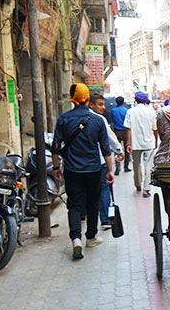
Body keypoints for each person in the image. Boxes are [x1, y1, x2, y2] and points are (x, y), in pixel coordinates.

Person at [51, 83, 115, 260]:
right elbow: (105, 149)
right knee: (92, 203)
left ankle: (76, 239)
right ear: (88, 100)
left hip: (72, 170)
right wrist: (110, 171)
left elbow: (55, 147)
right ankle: (91, 237)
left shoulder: (64, 118)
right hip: (94, 169)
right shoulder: (97, 120)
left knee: (74, 205)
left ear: (73, 100)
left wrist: (56, 168)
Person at [90, 93, 124, 229]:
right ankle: (104, 218)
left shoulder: (69, 118)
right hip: (98, 160)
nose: (103, 107)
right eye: (100, 104)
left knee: (87, 191)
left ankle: (83, 215)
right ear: (91, 104)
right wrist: (118, 150)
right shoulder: (99, 119)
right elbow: (110, 138)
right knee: (104, 188)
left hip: (78, 163)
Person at [125, 91, 158, 198]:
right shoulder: (151, 112)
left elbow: (128, 129)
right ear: (145, 101)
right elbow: (155, 129)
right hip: (149, 143)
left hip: (135, 143)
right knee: (148, 166)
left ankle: (138, 185)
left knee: (136, 164)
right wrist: (156, 141)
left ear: (136, 100)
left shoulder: (130, 111)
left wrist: (128, 143)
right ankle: (146, 189)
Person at [111, 96, 130, 175]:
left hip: (116, 131)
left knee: (117, 149)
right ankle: (126, 166)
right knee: (127, 149)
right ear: (123, 102)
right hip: (125, 131)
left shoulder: (113, 110)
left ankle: (117, 165)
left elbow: (112, 120)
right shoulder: (126, 111)